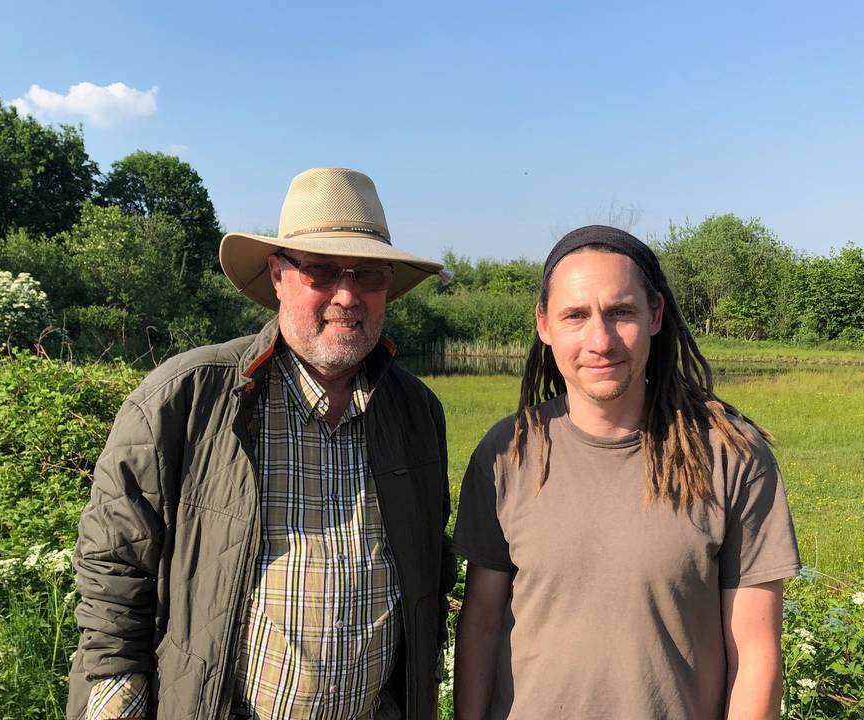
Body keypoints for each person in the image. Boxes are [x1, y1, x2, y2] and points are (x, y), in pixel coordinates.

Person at [67, 168, 458, 720]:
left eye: (369, 276)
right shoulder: (187, 396)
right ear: (278, 275)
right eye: (321, 271)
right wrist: (114, 700)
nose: (347, 295)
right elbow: (115, 566)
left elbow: (432, 568)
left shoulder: (417, 412)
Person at [452, 225, 800, 719]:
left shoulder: (729, 455)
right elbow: (482, 623)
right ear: (544, 324)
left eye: (621, 313)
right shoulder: (506, 454)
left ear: (655, 315)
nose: (601, 340)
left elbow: (756, 654)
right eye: (576, 315)